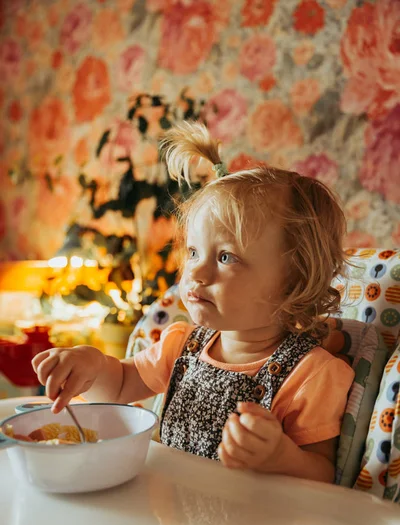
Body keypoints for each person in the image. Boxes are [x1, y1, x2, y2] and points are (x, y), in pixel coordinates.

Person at [32, 121, 354, 484]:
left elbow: (323, 474)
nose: (195, 273)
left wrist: (280, 457)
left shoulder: (311, 374)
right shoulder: (181, 345)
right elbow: (122, 383)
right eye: (194, 251)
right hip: (170, 515)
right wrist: (90, 367)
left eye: (226, 257)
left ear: (293, 283)